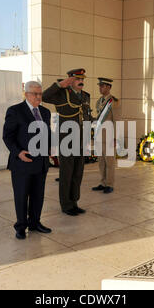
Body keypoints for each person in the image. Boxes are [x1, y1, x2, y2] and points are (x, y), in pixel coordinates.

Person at [3, 81, 52, 240]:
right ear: (26, 94)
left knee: (38, 195)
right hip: (22, 162)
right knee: (22, 196)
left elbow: (47, 134)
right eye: (35, 94)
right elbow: (7, 136)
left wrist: (49, 149)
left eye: (40, 94)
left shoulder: (45, 112)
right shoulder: (15, 111)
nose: (38, 97)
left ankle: (35, 223)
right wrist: (18, 153)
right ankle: (21, 226)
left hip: (41, 162)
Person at [42, 69, 93, 216]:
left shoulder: (85, 96)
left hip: (81, 140)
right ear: (70, 80)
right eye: (77, 79)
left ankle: (74, 202)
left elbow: (86, 116)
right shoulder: (61, 94)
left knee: (78, 173)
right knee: (67, 173)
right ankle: (66, 205)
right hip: (67, 139)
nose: (81, 81)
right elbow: (44, 96)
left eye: (82, 78)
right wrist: (60, 85)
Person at [92, 78, 121, 194]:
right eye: (100, 86)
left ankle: (109, 184)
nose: (100, 88)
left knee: (109, 162)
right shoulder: (99, 101)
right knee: (101, 162)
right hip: (99, 136)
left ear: (109, 87)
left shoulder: (114, 102)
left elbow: (117, 121)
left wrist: (116, 138)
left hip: (109, 137)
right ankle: (103, 182)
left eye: (103, 86)